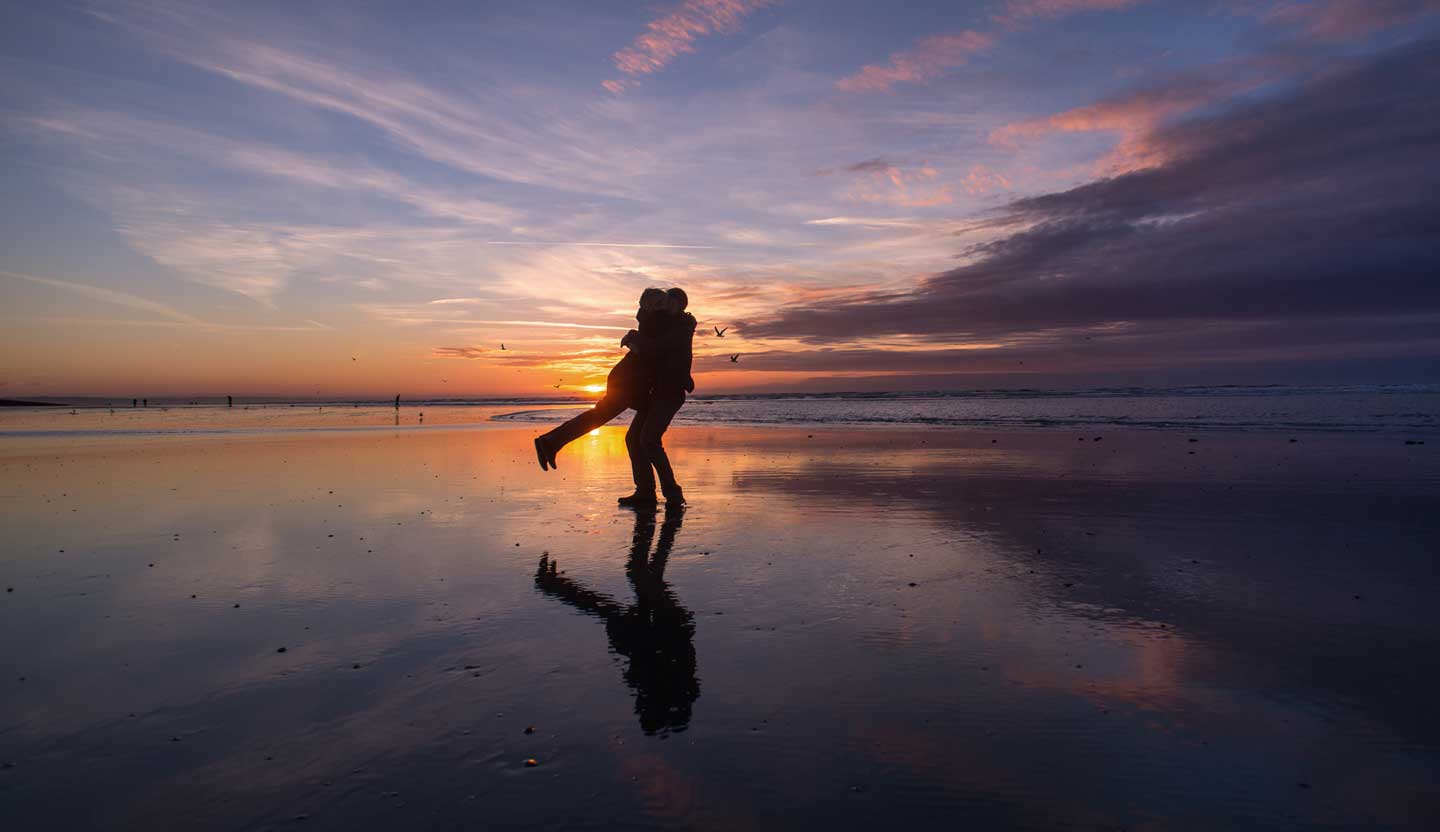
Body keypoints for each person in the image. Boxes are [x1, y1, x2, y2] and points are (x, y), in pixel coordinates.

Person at [533, 288, 682, 473]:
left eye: (664, 302)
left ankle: (550, 442)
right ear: (649, 306)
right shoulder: (654, 321)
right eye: (659, 303)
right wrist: (633, 338)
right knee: (602, 415)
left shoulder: (652, 321)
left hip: (634, 382)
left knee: (610, 421)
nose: (664, 306)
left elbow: (656, 349)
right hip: (628, 382)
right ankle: (549, 442)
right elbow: (655, 348)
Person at [619, 287, 694, 507]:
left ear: (680, 305)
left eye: (673, 301)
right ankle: (644, 492)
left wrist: (633, 336)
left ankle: (673, 494)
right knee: (633, 439)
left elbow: (656, 347)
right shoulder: (662, 323)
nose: (667, 305)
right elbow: (649, 340)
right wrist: (643, 317)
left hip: (670, 392)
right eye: (665, 301)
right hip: (655, 391)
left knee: (649, 440)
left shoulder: (682, 327)